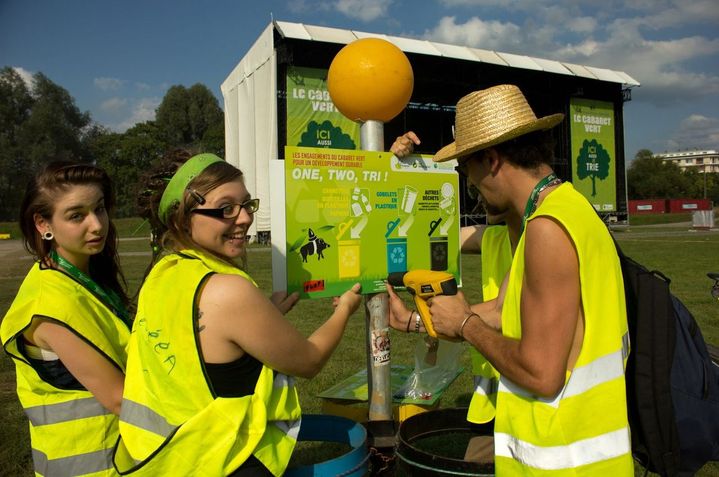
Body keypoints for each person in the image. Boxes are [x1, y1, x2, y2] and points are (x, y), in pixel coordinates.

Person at [390, 84, 633, 474]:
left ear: (490, 159)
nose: (467, 182)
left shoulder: (548, 229)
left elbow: (541, 374)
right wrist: (415, 321)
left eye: (463, 167)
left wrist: (467, 325)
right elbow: (505, 312)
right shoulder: (563, 210)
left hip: (565, 462)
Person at [113, 151, 362, 476]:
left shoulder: (162, 273)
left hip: (159, 459)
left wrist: (264, 317)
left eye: (247, 205)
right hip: (223, 461)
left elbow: (195, 341)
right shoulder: (228, 291)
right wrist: (344, 310)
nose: (244, 218)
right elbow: (310, 360)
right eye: (225, 208)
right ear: (183, 217)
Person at [1, 162, 131, 476]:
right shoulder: (53, 305)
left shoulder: (80, 277)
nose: (97, 225)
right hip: (96, 466)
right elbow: (120, 398)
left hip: (118, 457)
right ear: (43, 224)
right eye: (77, 215)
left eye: (99, 209)